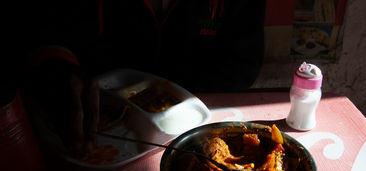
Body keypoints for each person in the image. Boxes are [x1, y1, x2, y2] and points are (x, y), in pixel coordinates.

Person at [20, 0, 266, 158]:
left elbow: (243, 65)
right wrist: (53, 62)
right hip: (89, 130)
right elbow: (47, 28)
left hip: (195, 128)